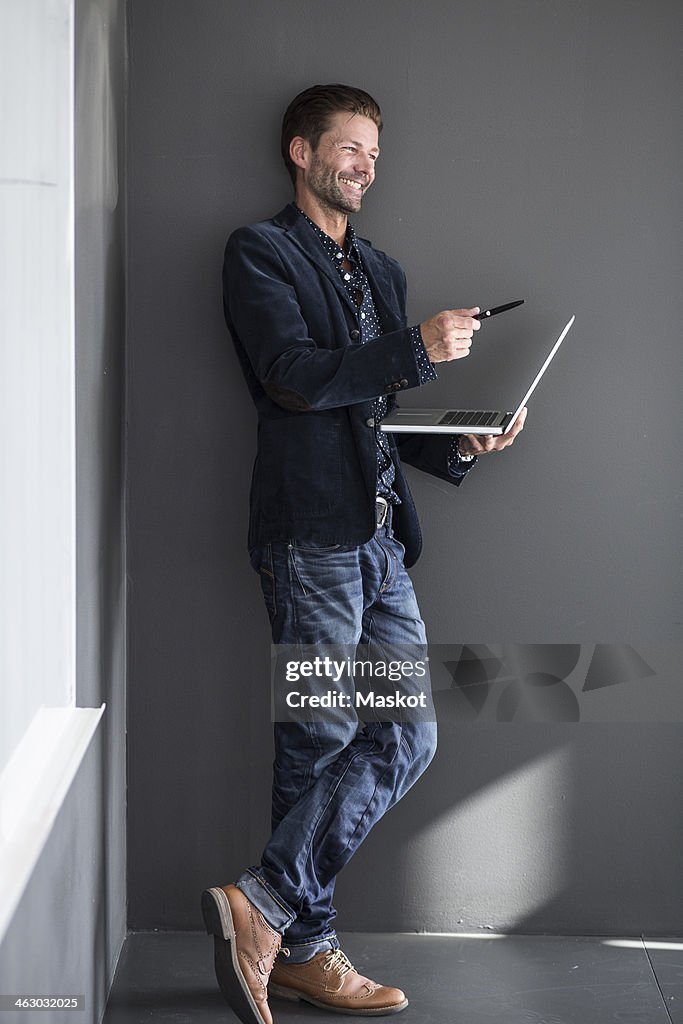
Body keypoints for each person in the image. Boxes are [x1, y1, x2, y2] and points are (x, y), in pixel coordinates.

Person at [202, 84, 526, 1024]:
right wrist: (417, 349)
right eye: (348, 147)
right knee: (315, 738)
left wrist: (460, 443)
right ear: (299, 152)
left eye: (374, 153)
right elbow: (295, 380)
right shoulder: (258, 252)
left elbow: (377, 412)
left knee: (408, 734)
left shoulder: (380, 268)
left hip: (380, 544)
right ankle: (303, 948)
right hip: (309, 539)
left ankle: (263, 906)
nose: (364, 165)